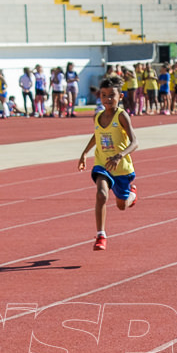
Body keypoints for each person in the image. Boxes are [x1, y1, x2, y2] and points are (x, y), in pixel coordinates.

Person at [77, 75, 139, 252]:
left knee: (122, 205)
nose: (107, 99)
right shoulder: (97, 117)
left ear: (120, 96)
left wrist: (120, 155)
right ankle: (101, 235)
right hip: (102, 164)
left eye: (112, 95)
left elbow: (135, 142)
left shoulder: (122, 116)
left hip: (121, 168)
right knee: (101, 194)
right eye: (104, 95)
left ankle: (132, 194)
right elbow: (96, 136)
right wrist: (84, 153)